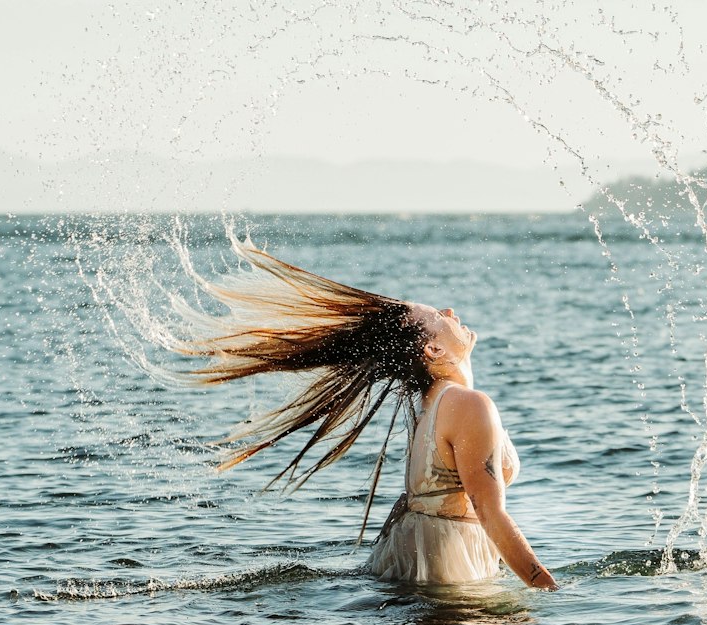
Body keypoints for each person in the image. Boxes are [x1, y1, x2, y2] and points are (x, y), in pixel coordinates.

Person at [170, 232, 557, 590]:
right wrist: (550, 592)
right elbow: (488, 512)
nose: (451, 311)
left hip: (425, 566)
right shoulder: (467, 405)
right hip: (444, 579)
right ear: (433, 351)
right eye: (439, 318)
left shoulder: (433, 406)